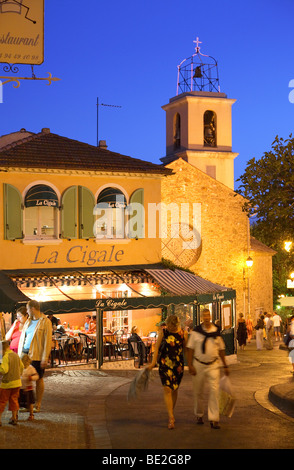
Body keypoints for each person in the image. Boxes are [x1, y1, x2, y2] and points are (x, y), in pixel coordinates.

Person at [187, 309, 229, 430]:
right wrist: (190, 365)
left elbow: (221, 349)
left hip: (213, 365)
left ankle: (214, 418)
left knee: (214, 391)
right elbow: (190, 349)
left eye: (208, 315)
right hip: (198, 364)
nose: (206, 317)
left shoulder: (216, 331)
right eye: (204, 315)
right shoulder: (196, 332)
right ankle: (199, 414)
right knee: (198, 391)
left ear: (210, 316)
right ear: (201, 317)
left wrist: (225, 365)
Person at [147, 315, 188, 430]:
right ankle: (171, 417)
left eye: (171, 326)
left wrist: (190, 363)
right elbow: (156, 348)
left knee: (174, 389)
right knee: (167, 388)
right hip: (165, 364)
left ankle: (171, 412)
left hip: (178, 366)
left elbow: (186, 350)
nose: (169, 327)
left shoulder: (183, 334)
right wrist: (153, 362)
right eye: (168, 325)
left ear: (176, 325)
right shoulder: (163, 333)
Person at [18, 300, 52, 413]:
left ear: (33, 309)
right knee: (23, 379)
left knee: (38, 379)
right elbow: (23, 338)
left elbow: (47, 341)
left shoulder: (45, 322)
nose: (27, 311)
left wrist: (45, 357)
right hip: (25, 353)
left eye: (27, 309)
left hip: (37, 354)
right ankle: (26, 404)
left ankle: (38, 404)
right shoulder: (28, 321)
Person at [0, 340, 24, 426]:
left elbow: (4, 370)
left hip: (7, 384)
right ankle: (14, 418)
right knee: (14, 400)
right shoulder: (16, 355)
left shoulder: (5, 357)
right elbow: (22, 366)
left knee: (2, 401)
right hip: (17, 383)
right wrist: (19, 374)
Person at [19, 354, 39, 421]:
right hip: (21, 388)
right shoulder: (19, 368)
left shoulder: (31, 368)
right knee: (19, 402)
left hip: (29, 388)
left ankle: (31, 414)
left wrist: (31, 378)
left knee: (30, 402)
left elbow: (36, 376)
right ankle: (15, 415)